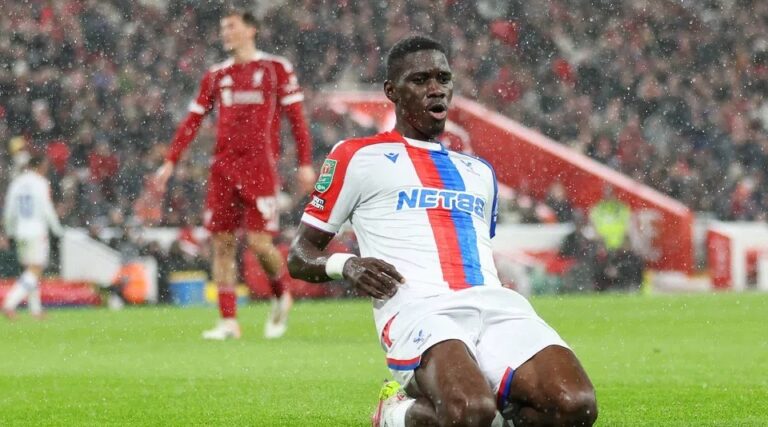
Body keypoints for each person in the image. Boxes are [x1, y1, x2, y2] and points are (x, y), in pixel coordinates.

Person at [288, 36, 597, 427]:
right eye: (420, 80)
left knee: (575, 406)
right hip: (419, 311)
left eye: (443, 78)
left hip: (496, 306)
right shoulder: (356, 156)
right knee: (470, 412)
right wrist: (346, 266)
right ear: (391, 91)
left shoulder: (479, 172)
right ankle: (396, 412)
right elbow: (299, 255)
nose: (436, 89)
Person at [155, 9, 315, 340]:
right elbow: (193, 120)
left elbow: (297, 120)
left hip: (260, 169)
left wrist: (304, 163)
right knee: (222, 243)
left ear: (251, 29)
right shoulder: (216, 75)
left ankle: (281, 291)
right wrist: (171, 159)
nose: (225, 32)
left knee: (259, 244)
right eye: (222, 27)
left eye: (231, 26)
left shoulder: (275, 69)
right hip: (223, 169)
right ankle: (229, 321)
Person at [2, 154, 63, 319]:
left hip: (21, 231)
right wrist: (57, 230)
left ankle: (35, 310)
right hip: (37, 230)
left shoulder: (17, 182)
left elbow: (9, 210)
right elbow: (47, 209)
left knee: (29, 270)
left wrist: (8, 232)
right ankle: (9, 303)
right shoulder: (40, 183)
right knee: (35, 270)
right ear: (40, 166)